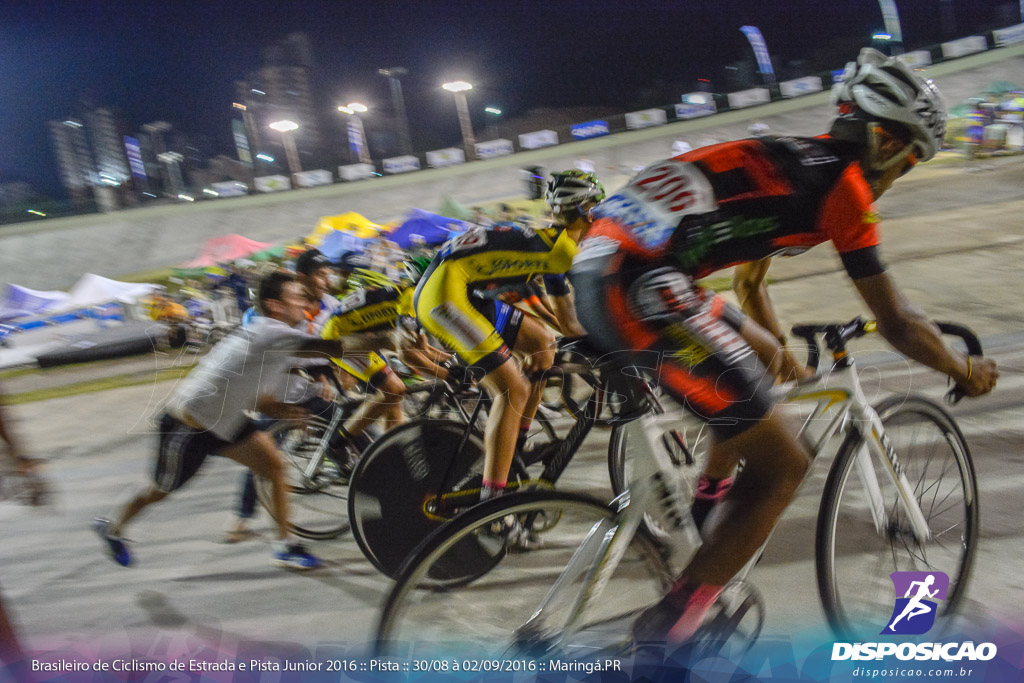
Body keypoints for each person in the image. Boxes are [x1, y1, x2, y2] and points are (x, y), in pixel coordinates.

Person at [567, 47, 997, 646]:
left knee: (765, 361)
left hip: (618, 270)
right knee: (785, 463)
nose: (900, 180)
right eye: (907, 164)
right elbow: (897, 322)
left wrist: (774, 362)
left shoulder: (795, 163)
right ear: (885, 143)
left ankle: (706, 512)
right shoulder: (842, 187)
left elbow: (747, 282)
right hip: (641, 285)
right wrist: (960, 367)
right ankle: (666, 631)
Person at [94, 271, 346, 570]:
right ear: (275, 305)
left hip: (224, 420)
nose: (303, 303)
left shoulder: (271, 337)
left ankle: (285, 546)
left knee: (273, 466)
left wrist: (280, 409)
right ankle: (111, 526)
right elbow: (339, 348)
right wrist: (390, 334)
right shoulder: (273, 334)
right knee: (158, 490)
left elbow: (249, 390)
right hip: (189, 426)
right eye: (296, 297)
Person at [413, 171, 603, 540]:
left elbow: (559, 324)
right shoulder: (562, 248)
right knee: (510, 389)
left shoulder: (554, 242)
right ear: (587, 210)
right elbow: (572, 323)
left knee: (543, 344)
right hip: (446, 299)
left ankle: (515, 443)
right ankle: (494, 508)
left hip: (463, 292)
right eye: (596, 205)